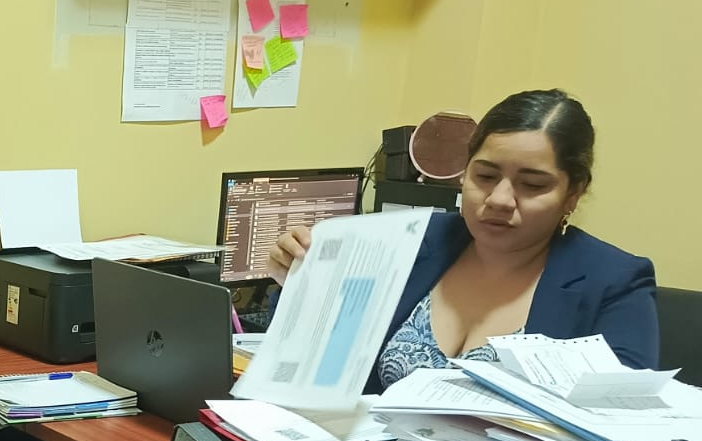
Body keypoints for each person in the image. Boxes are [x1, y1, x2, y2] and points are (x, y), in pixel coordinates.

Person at [266, 89, 658, 392]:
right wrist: (298, 279)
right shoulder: (411, 240)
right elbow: (310, 351)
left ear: (573, 193)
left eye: (532, 185)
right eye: (485, 177)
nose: (500, 199)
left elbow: (618, 416)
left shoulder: (613, 281)